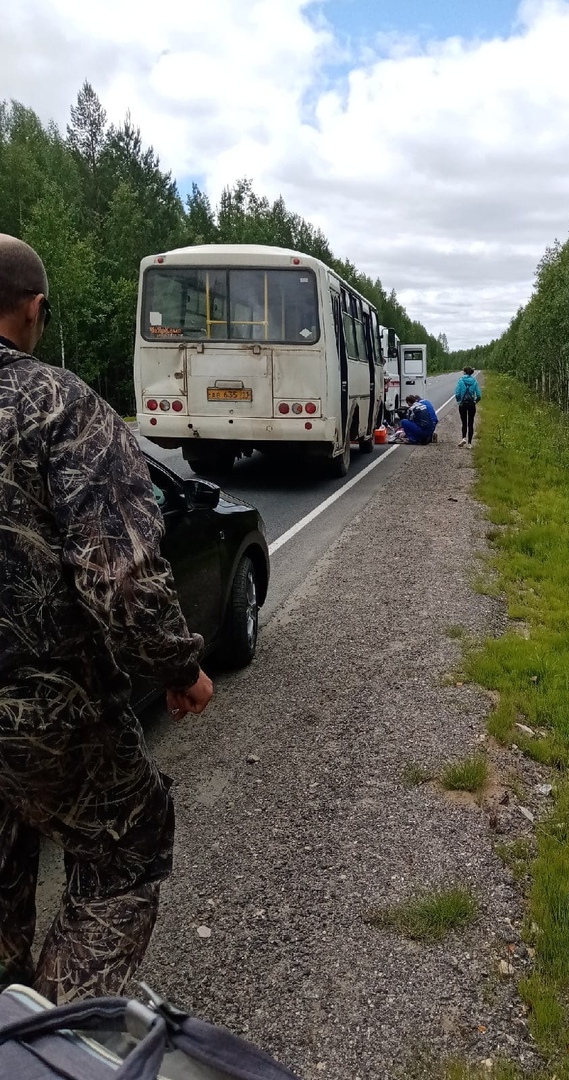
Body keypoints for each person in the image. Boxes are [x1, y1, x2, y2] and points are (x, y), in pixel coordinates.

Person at [0, 235, 213, 1004]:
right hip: (47, 711)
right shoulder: (56, 403)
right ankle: (49, 1036)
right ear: (35, 310)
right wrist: (179, 669)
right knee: (128, 843)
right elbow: (119, 577)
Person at [454, 366, 481, 447]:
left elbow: (457, 393)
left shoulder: (460, 381)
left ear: (465, 372)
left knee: (464, 422)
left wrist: (459, 401)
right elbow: (479, 395)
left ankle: (463, 438)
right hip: (471, 404)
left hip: (462, 404)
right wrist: (475, 401)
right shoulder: (474, 381)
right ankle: (469, 443)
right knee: (471, 423)